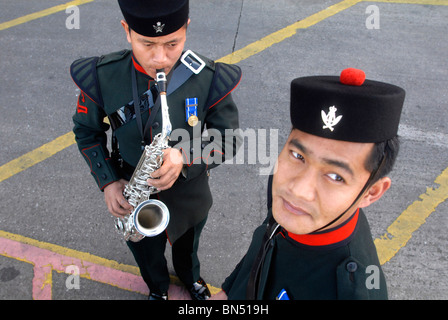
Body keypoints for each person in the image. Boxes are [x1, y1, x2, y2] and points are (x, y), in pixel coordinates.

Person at [70, 0, 242, 300]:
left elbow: (228, 138)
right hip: (131, 193)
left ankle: (191, 278)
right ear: (127, 31)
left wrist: (185, 155)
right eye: (147, 44)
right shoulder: (101, 75)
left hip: (189, 194)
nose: (160, 58)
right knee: (146, 254)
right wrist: (108, 181)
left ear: (187, 28)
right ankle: (157, 288)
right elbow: (87, 131)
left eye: (172, 43)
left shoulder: (208, 77)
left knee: (189, 246)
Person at [213, 68, 405, 300]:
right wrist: (228, 291)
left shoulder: (352, 291)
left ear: (371, 192)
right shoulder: (292, 199)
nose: (298, 190)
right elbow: (264, 243)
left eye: (335, 177)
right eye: (298, 156)